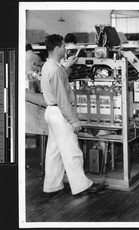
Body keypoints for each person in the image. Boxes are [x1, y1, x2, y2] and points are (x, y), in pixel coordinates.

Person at [41, 34, 106, 196]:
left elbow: (59, 80)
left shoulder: (49, 66)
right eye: (63, 46)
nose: (65, 49)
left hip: (51, 112)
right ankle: (81, 186)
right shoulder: (55, 70)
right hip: (60, 113)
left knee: (54, 152)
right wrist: (74, 120)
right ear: (57, 48)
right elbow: (62, 98)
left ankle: (51, 186)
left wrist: (66, 67)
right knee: (72, 152)